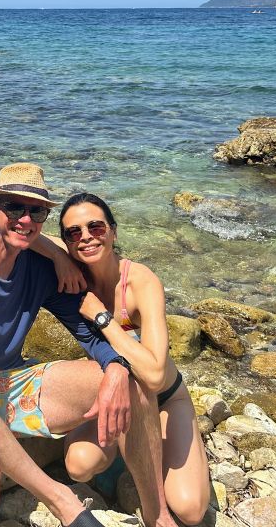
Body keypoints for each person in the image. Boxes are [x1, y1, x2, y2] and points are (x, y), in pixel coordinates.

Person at [0, 163, 175, 527]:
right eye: (13, 207)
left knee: (134, 380)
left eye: (36, 210)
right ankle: (63, 502)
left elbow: (87, 333)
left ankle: (158, 516)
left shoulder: (40, 269)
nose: (25, 219)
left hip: (8, 387)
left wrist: (114, 367)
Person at [42, 192, 210, 526]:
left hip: (163, 399)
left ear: (114, 232)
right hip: (111, 389)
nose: (86, 237)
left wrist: (102, 317)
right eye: (73, 233)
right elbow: (24, 234)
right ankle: (132, 454)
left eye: (96, 227)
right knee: (79, 466)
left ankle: (156, 448)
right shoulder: (74, 270)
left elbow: (154, 375)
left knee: (190, 511)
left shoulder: (140, 282)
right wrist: (58, 258)